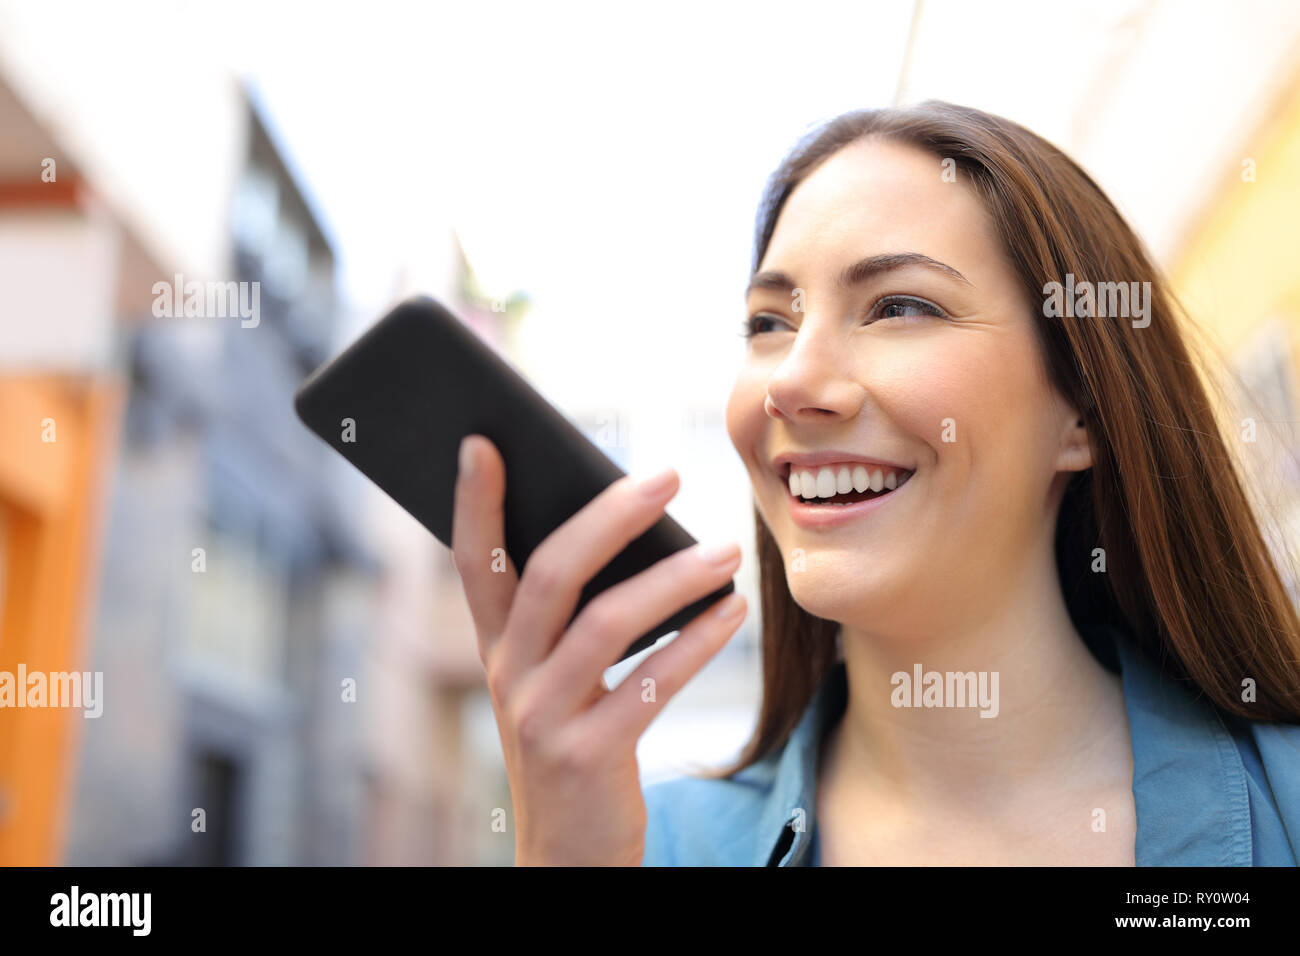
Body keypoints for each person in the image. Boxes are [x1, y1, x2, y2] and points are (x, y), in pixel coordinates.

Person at [450, 101, 1300, 866]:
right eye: (769, 323)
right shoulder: (644, 848)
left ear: (1080, 408)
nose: (789, 381)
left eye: (900, 306)